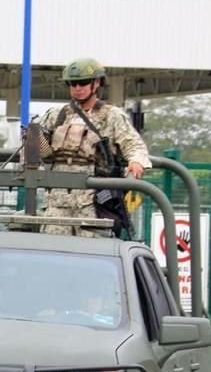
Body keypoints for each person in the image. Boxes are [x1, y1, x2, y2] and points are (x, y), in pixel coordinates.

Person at [38, 58, 151, 237]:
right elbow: (35, 147)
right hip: (57, 202)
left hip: (94, 201)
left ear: (96, 83)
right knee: (53, 253)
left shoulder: (111, 116)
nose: (78, 88)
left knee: (94, 254)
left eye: (83, 83)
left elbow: (133, 143)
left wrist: (136, 161)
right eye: (73, 83)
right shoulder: (56, 115)